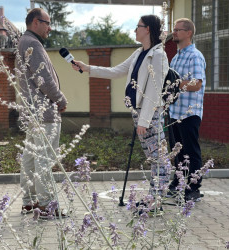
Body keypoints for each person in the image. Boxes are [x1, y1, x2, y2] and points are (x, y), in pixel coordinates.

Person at [72, 15, 171, 212]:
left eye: (138, 26)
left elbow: (154, 89)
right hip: (139, 112)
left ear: (148, 29)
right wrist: (87, 68)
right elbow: (116, 71)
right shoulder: (139, 53)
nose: (135, 30)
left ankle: (156, 199)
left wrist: (144, 120)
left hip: (148, 114)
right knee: (153, 157)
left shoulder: (158, 55)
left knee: (159, 158)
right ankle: (155, 197)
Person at [17, 8, 68, 218]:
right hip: (43, 112)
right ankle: (46, 205)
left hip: (33, 112)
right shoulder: (32, 43)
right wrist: (60, 99)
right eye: (47, 23)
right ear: (36, 22)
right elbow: (43, 78)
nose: (50, 27)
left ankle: (30, 202)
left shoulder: (24, 41)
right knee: (44, 158)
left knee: (31, 157)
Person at [167, 18, 206, 202]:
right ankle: (178, 183)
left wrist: (175, 85)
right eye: (174, 30)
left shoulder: (194, 55)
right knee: (178, 152)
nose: (174, 32)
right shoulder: (176, 56)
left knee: (191, 151)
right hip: (175, 112)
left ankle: (194, 188)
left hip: (189, 112)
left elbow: (196, 84)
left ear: (188, 33)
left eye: (177, 30)